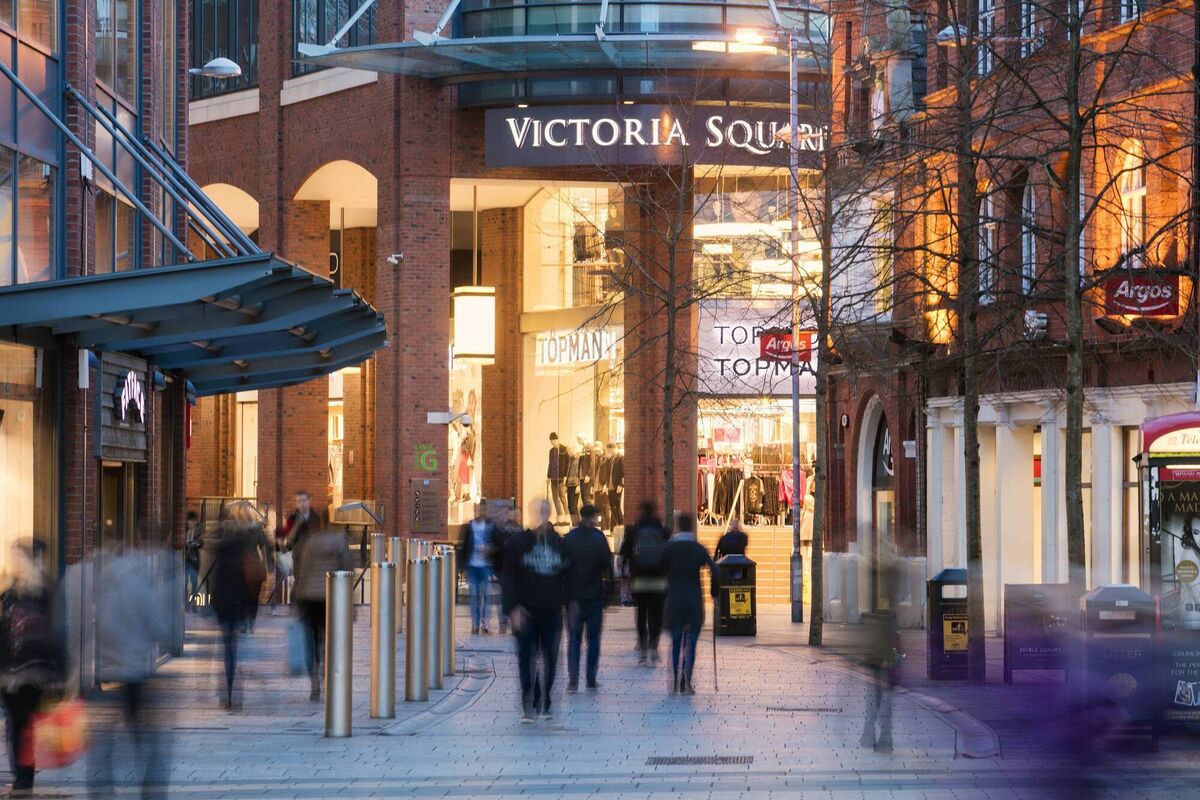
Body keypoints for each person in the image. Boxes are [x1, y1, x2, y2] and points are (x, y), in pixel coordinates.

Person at [93, 534, 174, 797]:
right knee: (144, 733)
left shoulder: (106, 581)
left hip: (108, 669)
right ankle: (149, 786)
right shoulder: (140, 583)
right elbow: (155, 624)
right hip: (135, 668)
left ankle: (103, 785)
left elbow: (100, 624)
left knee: (107, 736)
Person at [0, 541, 62, 795]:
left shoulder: (45, 592)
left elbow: (57, 632)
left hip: (34, 670)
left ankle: (24, 776)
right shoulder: (9, 591)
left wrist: (58, 671)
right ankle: (22, 775)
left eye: (17, 558)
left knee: (22, 723)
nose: (13, 563)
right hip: (10, 671)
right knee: (17, 723)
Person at [502, 499, 571, 722]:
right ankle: (528, 698)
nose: (542, 515)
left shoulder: (560, 543)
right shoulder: (519, 543)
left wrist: (569, 604)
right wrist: (513, 608)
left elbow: (568, 576)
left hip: (551, 612)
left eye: (545, 511)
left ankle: (545, 700)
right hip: (526, 612)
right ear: (532, 514)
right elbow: (508, 577)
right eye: (539, 511)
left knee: (551, 657)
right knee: (526, 658)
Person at [210, 501, 268, 709]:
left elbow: (213, 572)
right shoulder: (249, 538)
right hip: (239, 600)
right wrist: (251, 608)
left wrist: (211, 601)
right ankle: (235, 691)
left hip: (223, 600)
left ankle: (227, 692)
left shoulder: (221, 540)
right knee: (235, 645)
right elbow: (254, 573)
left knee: (227, 646)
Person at [293, 513, 352, 701]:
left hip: (310, 598)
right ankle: (326, 674)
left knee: (312, 641)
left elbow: (303, 572)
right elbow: (347, 570)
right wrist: (350, 603)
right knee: (329, 640)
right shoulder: (339, 543)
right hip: (331, 598)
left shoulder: (310, 544)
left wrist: (298, 598)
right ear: (329, 523)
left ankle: (314, 682)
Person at [660, 514, 715, 695]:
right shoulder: (698, 548)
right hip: (693, 601)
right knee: (691, 642)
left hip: (675, 600)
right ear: (692, 527)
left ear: (678, 527)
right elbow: (715, 570)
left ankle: (674, 681)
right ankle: (687, 681)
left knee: (676, 640)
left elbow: (658, 567)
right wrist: (714, 592)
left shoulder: (669, 549)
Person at [563, 504, 613, 692]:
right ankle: (591, 677)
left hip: (573, 598)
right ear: (593, 517)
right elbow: (607, 566)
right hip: (594, 596)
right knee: (593, 639)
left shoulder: (569, 538)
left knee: (574, 639)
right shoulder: (599, 538)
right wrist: (608, 593)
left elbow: (562, 568)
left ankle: (573, 680)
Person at [619, 502, 669, 664]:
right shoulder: (662, 530)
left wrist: (625, 573)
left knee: (641, 613)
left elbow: (624, 554)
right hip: (659, 580)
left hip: (639, 580)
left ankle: (643, 648)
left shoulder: (634, 531)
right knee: (656, 615)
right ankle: (654, 646)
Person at [459, 502, 498, 634]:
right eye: (478, 510)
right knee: (474, 596)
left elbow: (497, 544)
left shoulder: (491, 526)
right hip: (472, 566)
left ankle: (485, 622)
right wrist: (463, 567)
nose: (480, 512)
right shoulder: (469, 526)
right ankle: (475, 623)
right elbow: (463, 547)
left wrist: (490, 550)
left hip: (486, 565)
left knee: (486, 596)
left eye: (482, 510)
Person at [547, 433, 571, 525]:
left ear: (557, 440)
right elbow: (550, 464)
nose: (552, 443)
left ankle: (567, 517)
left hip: (561, 478)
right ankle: (560, 517)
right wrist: (548, 476)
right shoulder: (551, 451)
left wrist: (565, 476)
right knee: (555, 497)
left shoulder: (564, 449)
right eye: (551, 441)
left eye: (553, 441)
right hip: (553, 478)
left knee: (562, 497)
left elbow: (568, 463)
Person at [184, 510, 202, 610]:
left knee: (194, 584)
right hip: (186, 561)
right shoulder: (184, 532)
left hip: (194, 562)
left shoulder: (198, 532)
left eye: (193, 521)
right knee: (185, 584)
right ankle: (186, 604)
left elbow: (200, 542)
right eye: (189, 521)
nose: (190, 523)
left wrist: (192, 543)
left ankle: (194, 604)